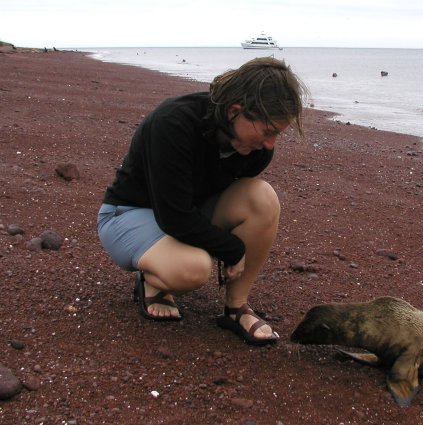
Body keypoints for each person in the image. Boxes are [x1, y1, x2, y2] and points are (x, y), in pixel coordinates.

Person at [97, 57, 306, 346]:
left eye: (277, 134)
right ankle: (153, 281)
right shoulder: (174, 122)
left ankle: (236, 308)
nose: (271, 144)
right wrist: (231, 248)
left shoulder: (256, 149)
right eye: (269, 131)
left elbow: (201, 204)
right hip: (128, 214)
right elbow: (174, 216)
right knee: (193, 269)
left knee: (263, 198)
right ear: (236, 111)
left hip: (184, 212)